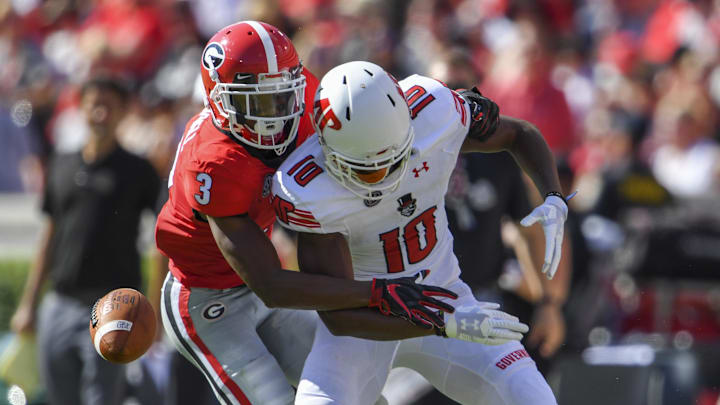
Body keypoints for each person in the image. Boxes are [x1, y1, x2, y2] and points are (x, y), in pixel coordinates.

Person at [154, 21, 467, 405]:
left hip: (263, 290)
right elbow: (270, 284)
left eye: (282, 98)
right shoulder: (215, 164)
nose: (276, 116)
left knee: (355, 398)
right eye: (259, 104)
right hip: (206, 300)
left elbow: (372, 112)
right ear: (220, 100)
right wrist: (376, 292)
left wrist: (457, 109)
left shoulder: (307, 100)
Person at [272, 61, 568, 405]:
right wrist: (442, 322)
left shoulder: (433, 111)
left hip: (447, 297)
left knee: (533, 397)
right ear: (330, 153)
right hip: (365, 323)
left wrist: (554, 195)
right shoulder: (309, 190)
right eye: (370, 170)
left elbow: (517, 134)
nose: (386, 175)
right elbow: (338, 316)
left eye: (397, 159)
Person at [10, 76, 161, 405]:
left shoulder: (137, 170)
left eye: (109, 106)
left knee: (102, 398)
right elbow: (50, 233)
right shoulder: (61, 164)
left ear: (123, 112)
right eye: (95, 104)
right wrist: (29, 303)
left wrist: (154, 310)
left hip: (112, 306)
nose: (101, 113)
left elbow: (166, 234)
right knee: (58, 396)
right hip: (60, 302)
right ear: (81, 107)